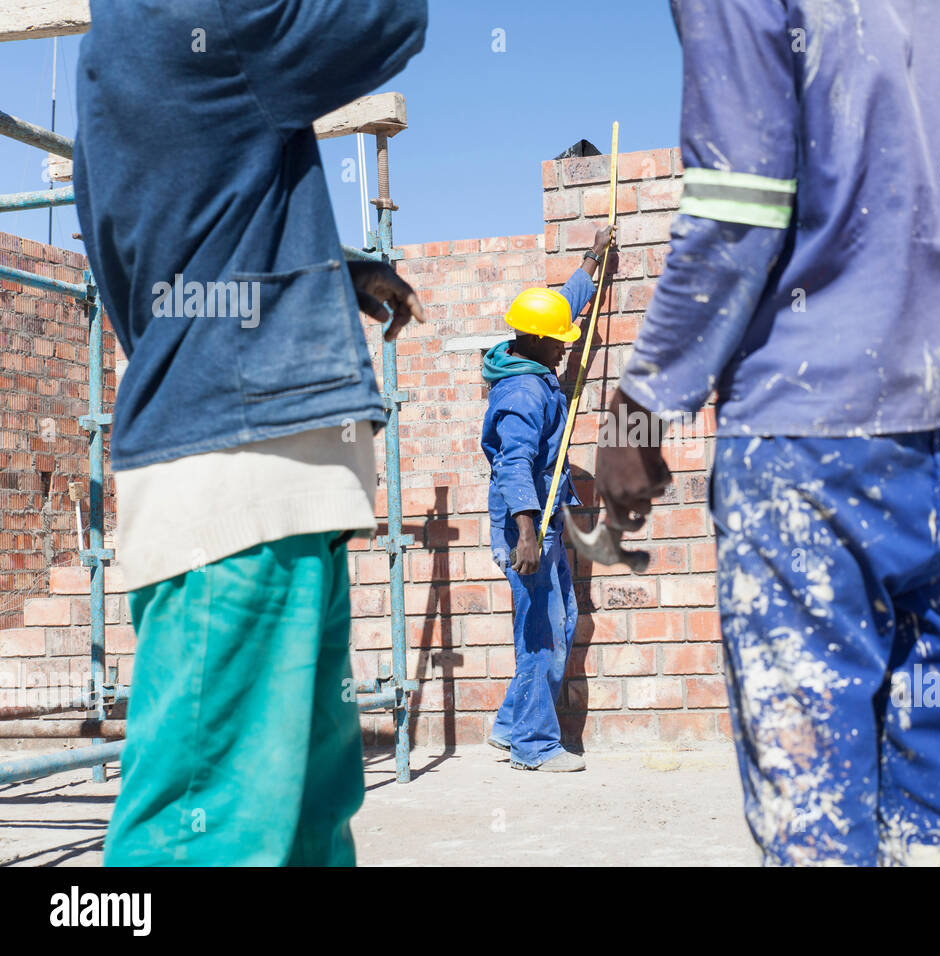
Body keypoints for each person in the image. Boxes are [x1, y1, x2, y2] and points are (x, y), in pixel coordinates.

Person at [595, 0, 940, 865]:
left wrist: (645, 402)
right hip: (933, 420)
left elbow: (738, 206)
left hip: (805, 433)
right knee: (934, 741)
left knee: (815, 799)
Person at [73, 1, 428, 865]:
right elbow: (389, 19)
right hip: (242, 494)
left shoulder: (122, 48)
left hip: (253, 489)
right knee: (205, 842)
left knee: (303, 828)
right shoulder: (203, 12)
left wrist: (326, 272)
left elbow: (185, 246)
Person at [481, 225, 616, 772]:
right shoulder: (523, 392)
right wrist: (526, 533)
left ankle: (511, 726)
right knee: (541, 635)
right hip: (526, 528)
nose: (565, 346)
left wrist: (593, 257)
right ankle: (533, 747)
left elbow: (563, 304)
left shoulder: (530, 350)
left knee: (559, 622)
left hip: (541, 523)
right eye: (558, 341)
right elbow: (513, 464)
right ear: (535, 342)